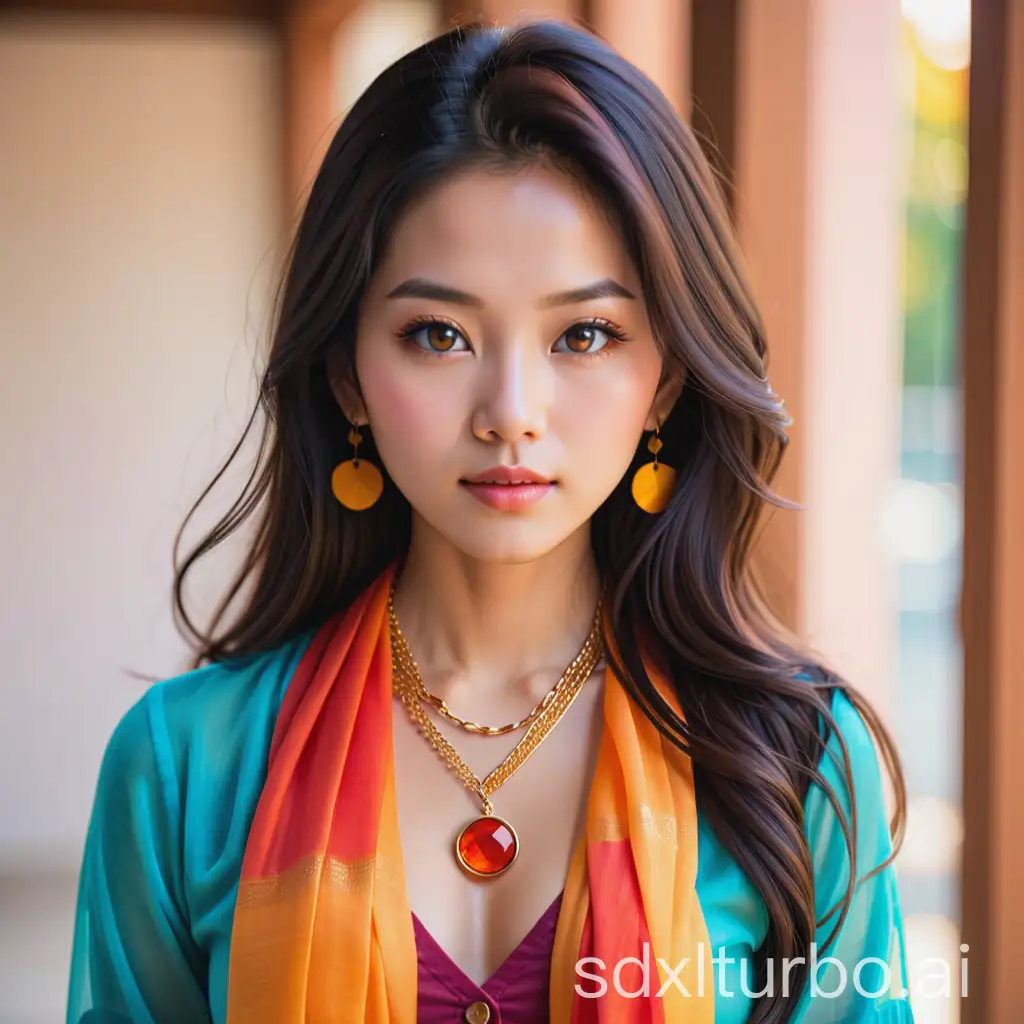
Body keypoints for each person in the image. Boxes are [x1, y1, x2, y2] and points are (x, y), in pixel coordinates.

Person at [67, 19, 915, 1024]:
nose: (510, 407)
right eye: (438, 333)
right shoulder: (183, 766)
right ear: (347, 373)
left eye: (584, 334)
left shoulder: (797, 765)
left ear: (666, 381)